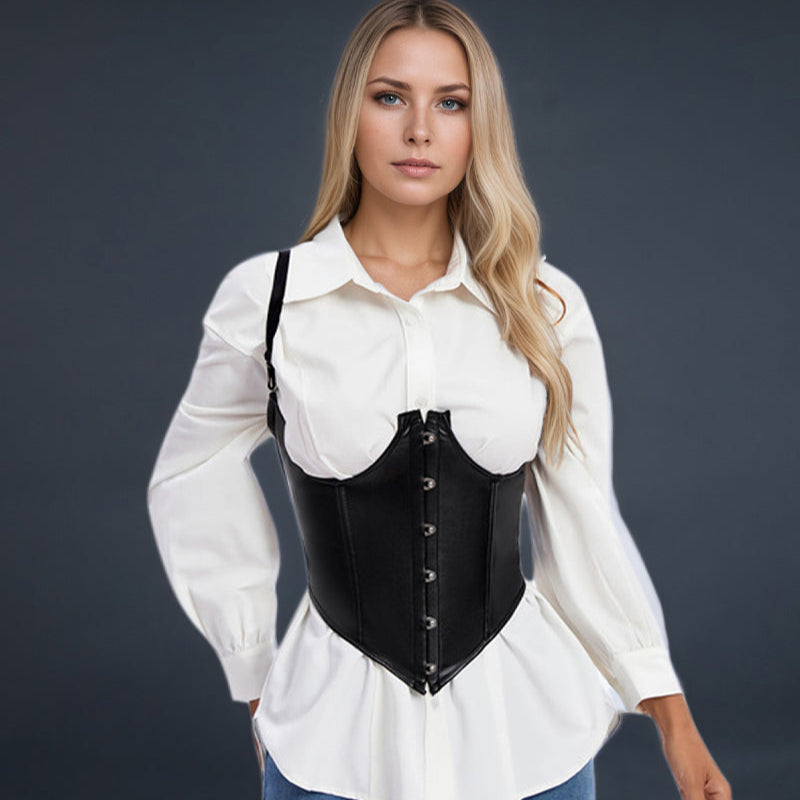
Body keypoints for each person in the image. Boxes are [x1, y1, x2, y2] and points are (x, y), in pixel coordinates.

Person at [146, 1, 732, 799]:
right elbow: (192, 474)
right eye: (390, 97)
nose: (420, 129)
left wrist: (672, 717)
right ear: (349, 113)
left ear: (478, 126)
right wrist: (250, 664)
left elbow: (584, 512)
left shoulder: (543, 303)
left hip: (527, 743)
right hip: (331, 745)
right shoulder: (271, 301)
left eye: (451, 103)